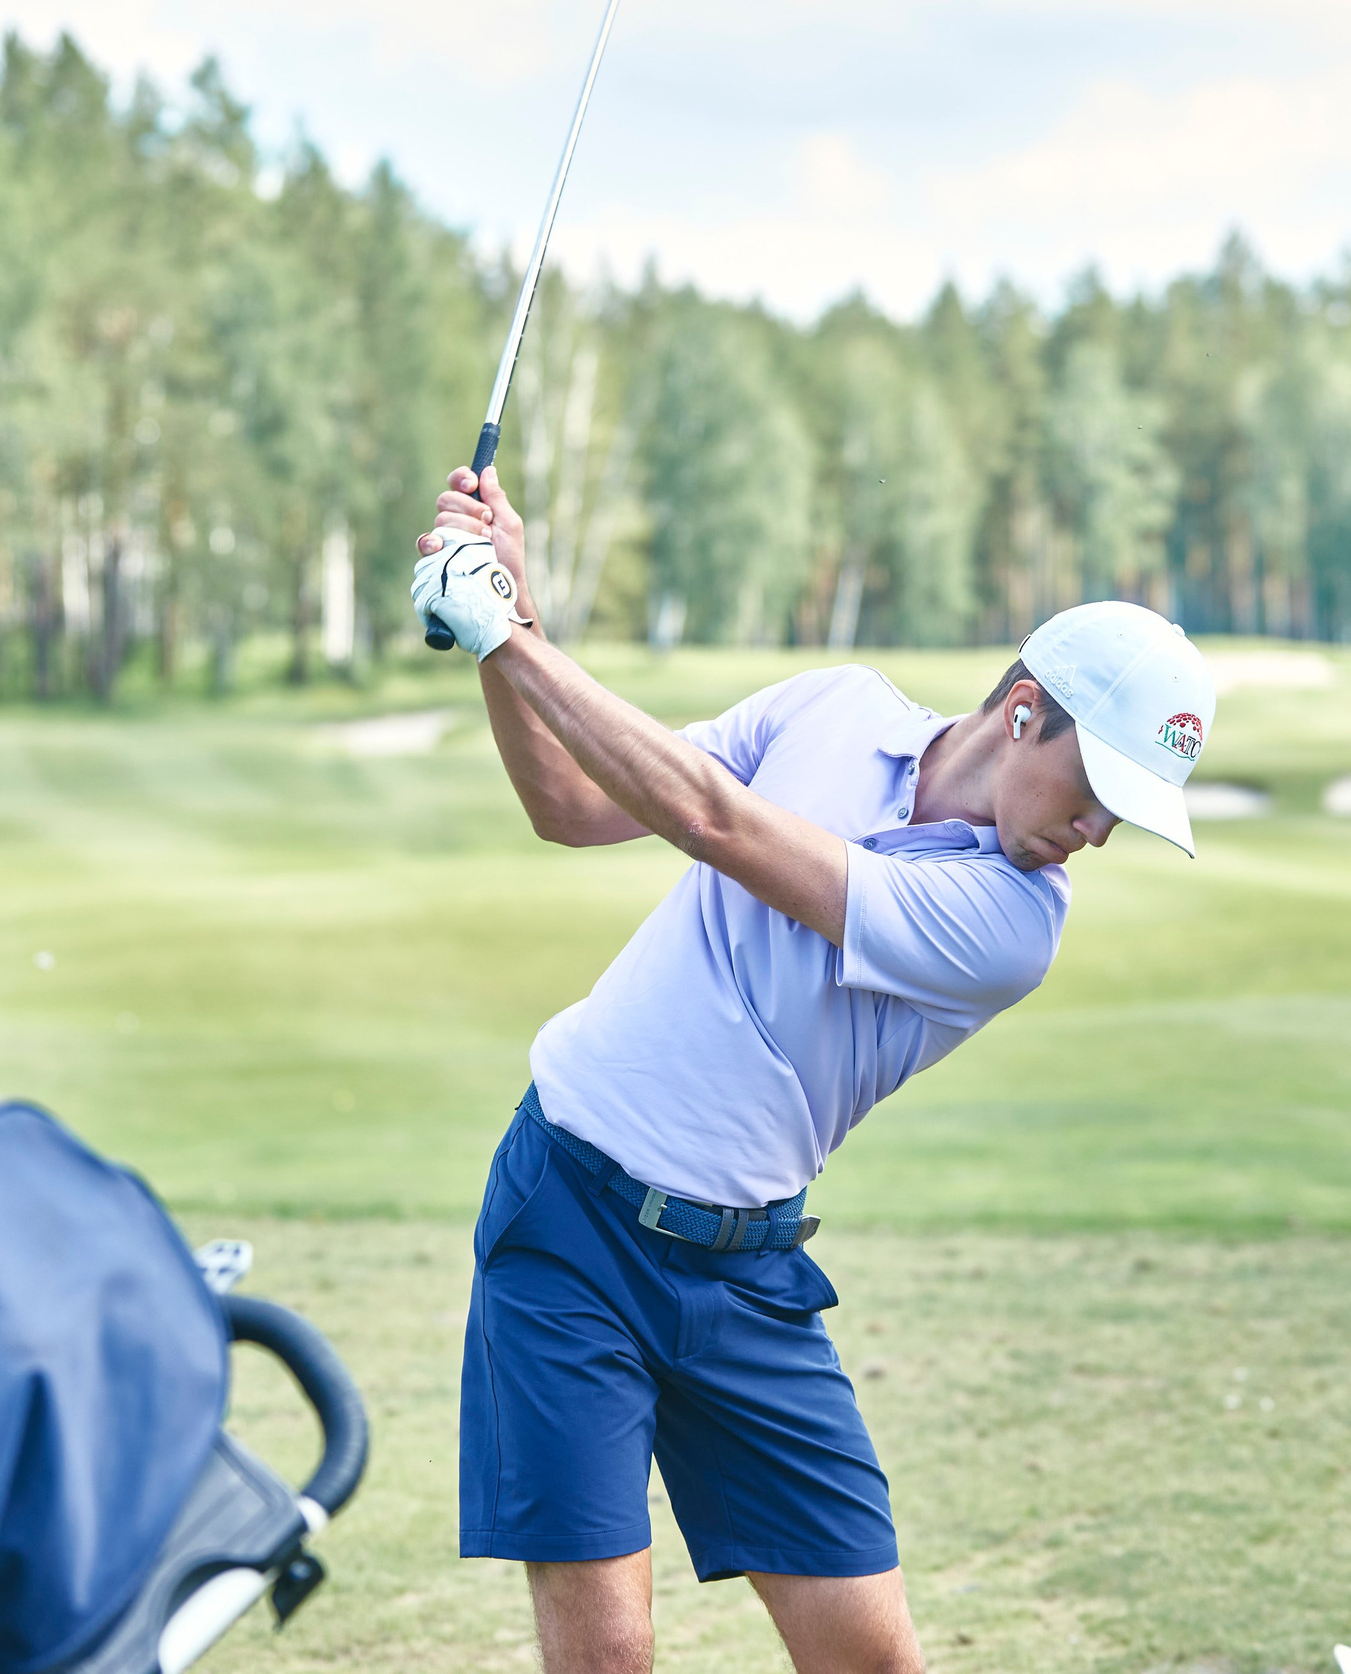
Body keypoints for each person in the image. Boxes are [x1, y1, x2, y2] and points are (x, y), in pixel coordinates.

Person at [412, 465, 1216, 1674]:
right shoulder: (834, 706)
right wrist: (505, 623)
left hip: (744, 1281)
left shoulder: (1014, 922)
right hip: (567, 1221)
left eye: (1125, 816)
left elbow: (722, 830)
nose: (1096, 832)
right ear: (1021, 708)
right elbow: (572, 803)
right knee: (606, 1663)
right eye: (1099, 785)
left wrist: (510, 634)